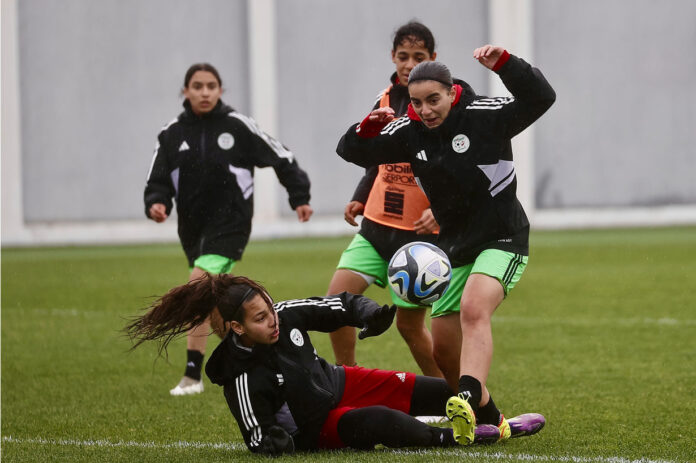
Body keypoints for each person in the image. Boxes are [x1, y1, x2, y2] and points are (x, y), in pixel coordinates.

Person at [336, 45, 556, 445]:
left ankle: (468, 398)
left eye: (433, 100)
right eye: (417, 102)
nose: (425, 110)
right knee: (442, 350)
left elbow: (542, 97)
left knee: (475, 308)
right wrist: (365, 129)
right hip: (453, 247)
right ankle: (496, 421)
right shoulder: (409, 131)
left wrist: (506, 65)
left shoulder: (485, 116)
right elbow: (350, 151)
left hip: (502, 237)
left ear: (453, 92)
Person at [124, 273, 511, 454]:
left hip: (336, 381)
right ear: (238, 328)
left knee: (440, 391)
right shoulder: (239, 375)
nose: (272, 320)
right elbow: (255, 434)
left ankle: (499, 421)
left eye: (270, 308)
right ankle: (458, 438)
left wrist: (369, 312)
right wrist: (274, 442)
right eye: (259, 319)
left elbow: (338, 306)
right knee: (379, 421)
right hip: (315, 424)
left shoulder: (285, 314)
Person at [144, 63, 313, 396]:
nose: (204, 92)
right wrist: (157, 202)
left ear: (220, 90)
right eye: (197, 86)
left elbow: (281, 156)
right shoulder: (171, 133)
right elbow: (157, 178)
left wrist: (299, 196)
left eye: (211, 86)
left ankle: (192, 376)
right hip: (193, 230)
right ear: (185, 91)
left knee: (197, 286)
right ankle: (265, 356)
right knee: (212, 303)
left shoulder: (237, 126)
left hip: (231, 224)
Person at [328, 21, 476, 378]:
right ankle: (345, 380)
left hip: (418, 239)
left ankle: (446, 394)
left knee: (409, 327)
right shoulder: (385, 99)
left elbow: (462, 165)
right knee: (335, 305)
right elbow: (376, 155)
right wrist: (360, 196)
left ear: (433, 58)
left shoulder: (445, 104)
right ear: (392, 57)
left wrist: (441, 211)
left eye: (419, 57)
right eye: (403, 57)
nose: (409, 64)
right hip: (376, 227)